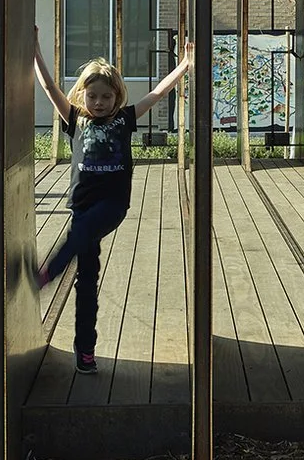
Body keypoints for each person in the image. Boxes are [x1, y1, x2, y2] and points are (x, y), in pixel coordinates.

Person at [33, 42, 190, 373]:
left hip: (113, 205)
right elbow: (48, 86)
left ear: (116, 97)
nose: (99, 103)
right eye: (93, 97)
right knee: (87, 282)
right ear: (83, 96)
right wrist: (34, 47)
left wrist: (184, 65)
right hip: (82, 207)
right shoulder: (74, 118)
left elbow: (158, 94)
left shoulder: (125, 119)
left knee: (84, 232)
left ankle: (47, 273)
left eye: (106, 97)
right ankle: (85, 351)